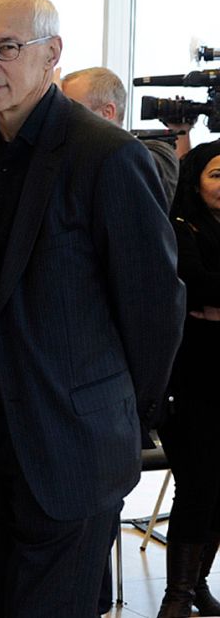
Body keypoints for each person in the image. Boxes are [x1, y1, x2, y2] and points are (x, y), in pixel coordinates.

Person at [0, 0, 184, 616]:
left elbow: (155, 306)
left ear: (52, 52)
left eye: (6, 48)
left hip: (75, 443)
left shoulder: (107, 155)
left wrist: (121, 416)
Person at [155, 141, 220, 617]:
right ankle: (176, 595)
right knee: (198, 484)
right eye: (217, 174)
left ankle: (198, 584)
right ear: (195, 178)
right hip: (191, 378)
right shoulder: (179, 227)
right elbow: (193, 285)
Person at [61, 66, 184, 202]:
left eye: (75, 111)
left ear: (107, 113)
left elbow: (125, 169)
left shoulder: (158, 152)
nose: (66, 119)